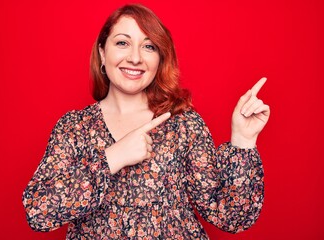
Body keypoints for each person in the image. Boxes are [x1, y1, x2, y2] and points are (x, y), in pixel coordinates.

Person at [22, 3, 270, 239]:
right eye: (122, 43)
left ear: (160, 59)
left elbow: (231, 217)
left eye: (149, 47)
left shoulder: (183, 124)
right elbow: (38, 213)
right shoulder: (74, 128)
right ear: (102, 53)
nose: (135, 58)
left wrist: (243, 141)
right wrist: (113, 157)